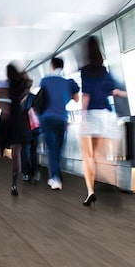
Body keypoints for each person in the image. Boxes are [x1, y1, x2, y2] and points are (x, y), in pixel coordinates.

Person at [79, 36, 126, 206]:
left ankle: (90, 192)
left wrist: (82, 117)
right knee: (101, 155)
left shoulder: (85, 71)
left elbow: (86, 95)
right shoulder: (104, 71)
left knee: (88, 156)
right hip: (105, 115)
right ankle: (114, 184)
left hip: (91, 114)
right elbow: (112, 90)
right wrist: (125, 94)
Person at [38, 57, 79, 190]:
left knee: (51, 148)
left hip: (47, 118)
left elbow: (42, 97)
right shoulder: (68, 83)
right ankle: (56, 176)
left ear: (52, 66)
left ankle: (55, 178)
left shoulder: (45, 81)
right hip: (62, 118)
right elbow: (76, 99)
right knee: (59, 149)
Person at [0, 64, 32, 196]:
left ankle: (2, 149)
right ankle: (14, 184)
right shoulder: (22, 86)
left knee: (1, 143)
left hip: (5, 120)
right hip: (18, 121)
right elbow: (22, 100)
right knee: (17, 154)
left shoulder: (0, 85)